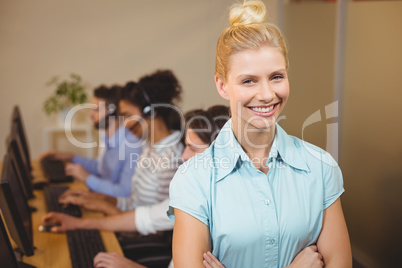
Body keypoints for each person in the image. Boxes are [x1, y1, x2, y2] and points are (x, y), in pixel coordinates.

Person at [168, 1, 353, 268]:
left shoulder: (320, 168)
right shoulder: (193, 180)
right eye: (249, 80)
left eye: (276, 76)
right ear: (222, 85)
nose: (267, 94)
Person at [41, 105, 230, 268]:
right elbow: (145, 217)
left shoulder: (234, 222)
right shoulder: (195, 194)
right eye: (186, 146)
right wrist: (79, 223)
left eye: (194, 149)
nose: (184, 156)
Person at [44, 69, 184, 218]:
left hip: (141, 237)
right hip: (131, 224)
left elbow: (158, 223)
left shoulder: (171, 158)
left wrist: (102, 205)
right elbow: (134, 202)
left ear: (150, 112)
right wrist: (95, 198)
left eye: (128, 116)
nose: (124, 124)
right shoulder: (150, 148)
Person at [41, 85, 142, 197]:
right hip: (102, 199)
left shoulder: (132, 147)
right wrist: (71, 157)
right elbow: (101, 169)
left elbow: (124, 193)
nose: (91, 115)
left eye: (97, 109)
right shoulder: (108, 137)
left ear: (114, 112)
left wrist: (87, 178)